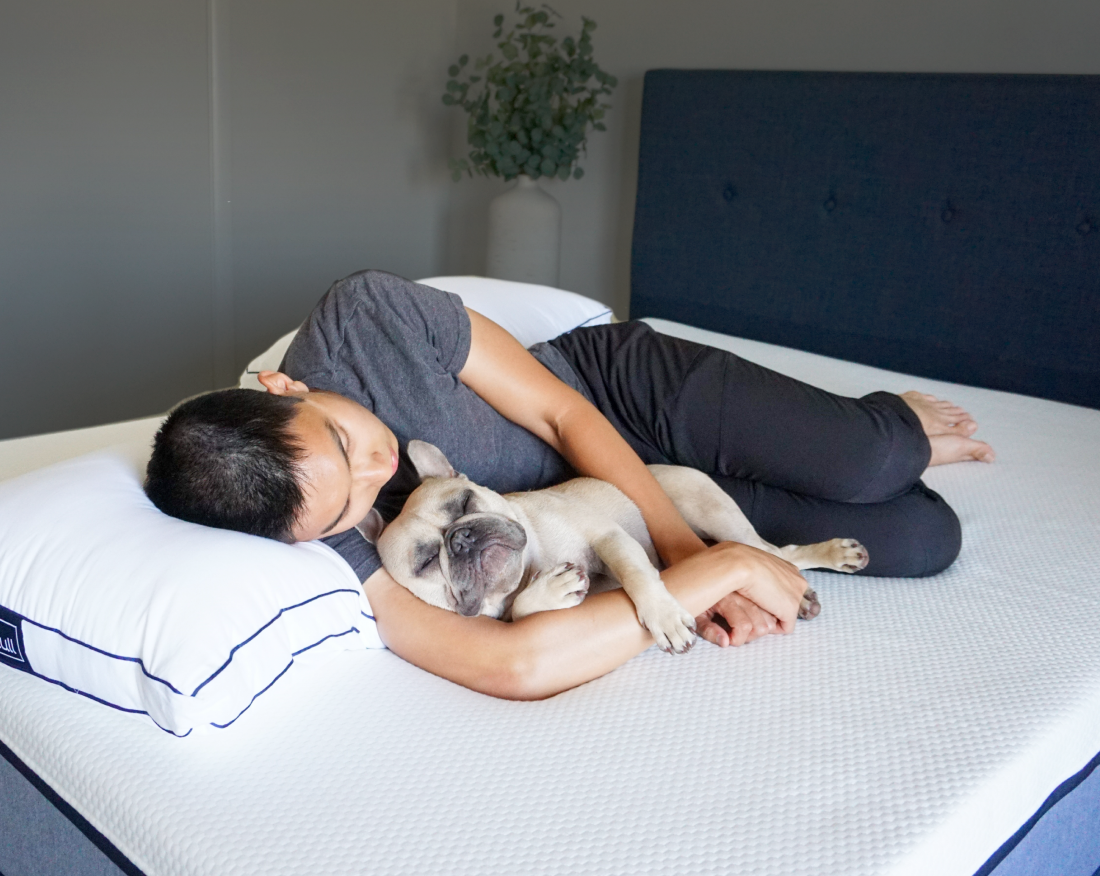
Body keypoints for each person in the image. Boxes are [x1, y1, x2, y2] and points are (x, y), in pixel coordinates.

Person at [145, 271, 993, 699]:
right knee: (923, 538)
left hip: (614, 395)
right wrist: (718, 569)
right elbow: (515, 664)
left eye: (347, 438)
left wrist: (683, 545)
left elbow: (558, 416)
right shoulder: (315, 517)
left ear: (280, 386)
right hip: (605, 505)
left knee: (870, 462)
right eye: (351, 497)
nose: (379, 469)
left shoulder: (364, 318)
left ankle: (883, 418)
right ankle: (802, 457)